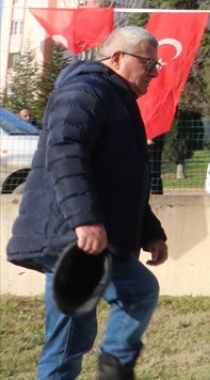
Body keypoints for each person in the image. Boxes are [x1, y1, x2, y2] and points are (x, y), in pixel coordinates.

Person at [6, 26, 169, 380]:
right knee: (138, 291)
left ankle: (114, 366)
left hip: (76, 233)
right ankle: (115, 367)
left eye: (157, 65)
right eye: (149, 63)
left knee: (68, 338)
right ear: (117, 59)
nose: (154, 73)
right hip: (69, 233)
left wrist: (151, 232)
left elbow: (121, 180)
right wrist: (84, 220)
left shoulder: (114, 99)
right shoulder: (86, 89)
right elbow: (64, 150)